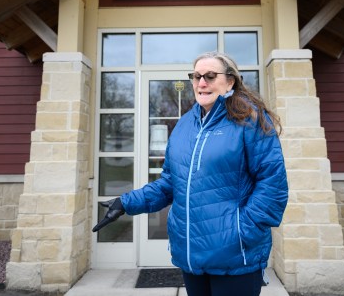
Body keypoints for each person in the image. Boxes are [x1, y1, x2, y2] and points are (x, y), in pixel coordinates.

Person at [93, 51, 288, 296]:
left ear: (230, 81)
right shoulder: (185, 125)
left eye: (209, 76)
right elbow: (170, 183)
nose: (201, 83)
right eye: (196, 76)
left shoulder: (251, 120)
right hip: (191, 254)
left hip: (235, 255)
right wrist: (126, 202)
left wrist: (242, 231)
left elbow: (273, 185)